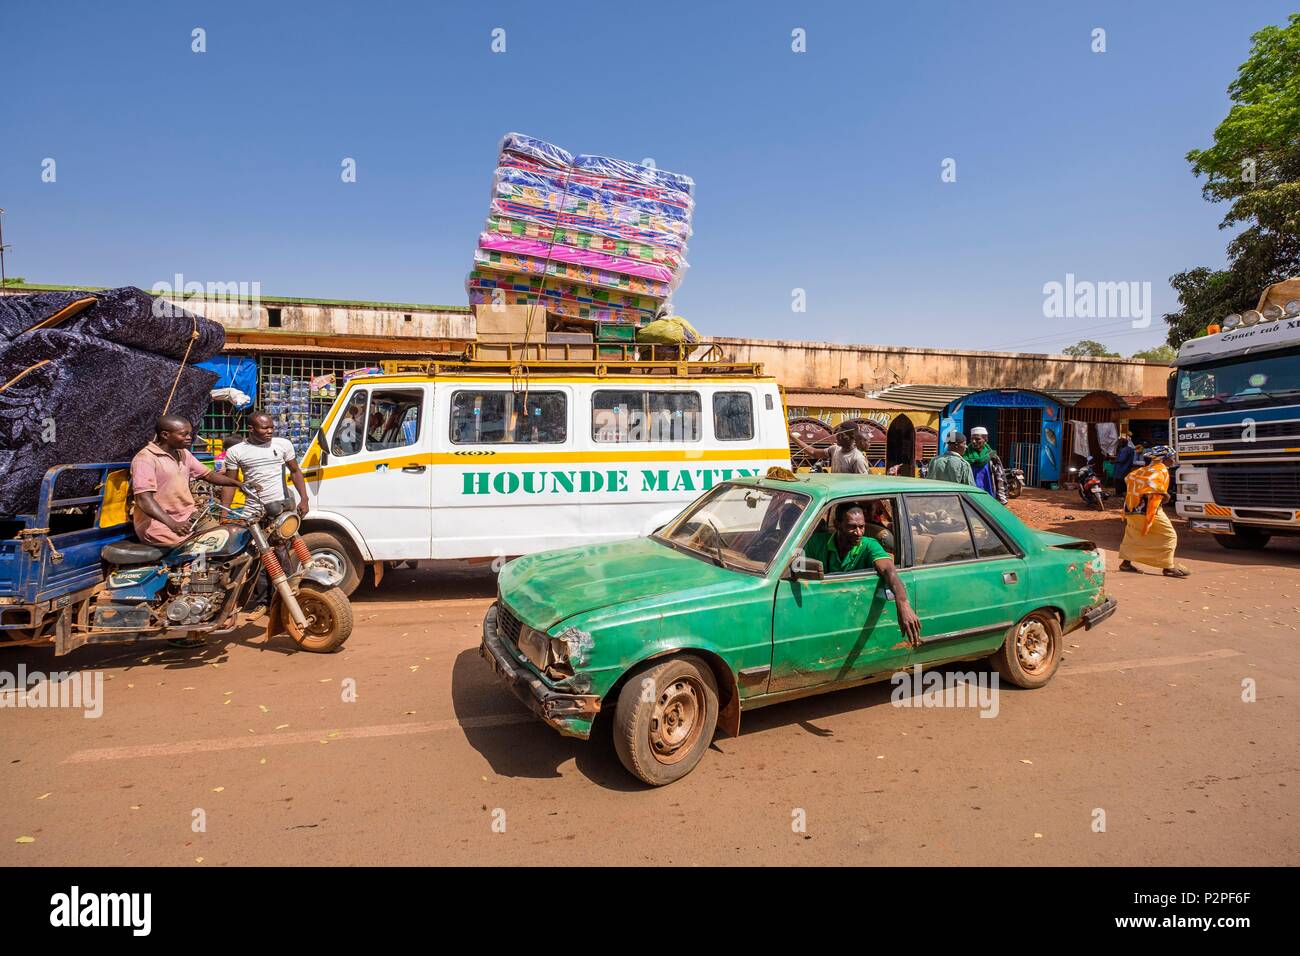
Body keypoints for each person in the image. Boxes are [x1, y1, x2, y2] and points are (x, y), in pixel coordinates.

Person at [801, 505, 921, 642]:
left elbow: (889, 570)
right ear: (837, 525)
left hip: (855, 612)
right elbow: (799, 569)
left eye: (862, 527)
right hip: (823, 608)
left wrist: (903, 603)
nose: (859, 532)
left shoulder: (869, 545)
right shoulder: (816, 543)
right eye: (852, 527)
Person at [130, 415, 249, 547]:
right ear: (165, 435)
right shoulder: (145, 459)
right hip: (161, 525)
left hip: (190, 517)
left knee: (227, 539)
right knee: (204, 550)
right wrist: (173, 524)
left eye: (190, 434)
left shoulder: (183, 453)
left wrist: (239, 484)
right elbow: (143, 499)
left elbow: (208, 475)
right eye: (183, 434)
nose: (189, 437)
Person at [220, 411, 311, 517]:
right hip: (253, 511)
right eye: (265, 428)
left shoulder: (283, 445)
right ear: (251, 429)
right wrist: (224, 514)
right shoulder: (235, 451)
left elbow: (295, 471)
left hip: (282, 508)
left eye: (272, 427)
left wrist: (304, 499)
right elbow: (229, 484)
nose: (270, 431)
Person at [1118, 446, 1189, 578]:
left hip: (1131, 508)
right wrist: (1164, 494)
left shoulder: (1141, 470)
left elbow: (1129, 478)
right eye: (1172, 457)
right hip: (1148, 510)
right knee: (1169, 536)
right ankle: (1168, 567)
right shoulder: (1160, 469)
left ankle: (1126, 563)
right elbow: (1152, 483)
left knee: (1135, 534)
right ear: (1164, 459)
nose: (1173, 460)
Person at [790, 425, 868, 474]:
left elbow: (862, 485)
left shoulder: (857, 459)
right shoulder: (834, 449)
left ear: (853, 438)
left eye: (842, 435)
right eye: (837, 433)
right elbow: (813, 452)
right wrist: (791, 437)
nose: (838, 437)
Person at [963, 426, 1001, 497]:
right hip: (970, 490)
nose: (974, 441)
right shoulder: (964, 454)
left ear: (985, 439)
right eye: (972, 439)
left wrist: (1001, 494)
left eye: (977, 439)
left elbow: (999, 475)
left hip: (988, 489)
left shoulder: (992, 456)